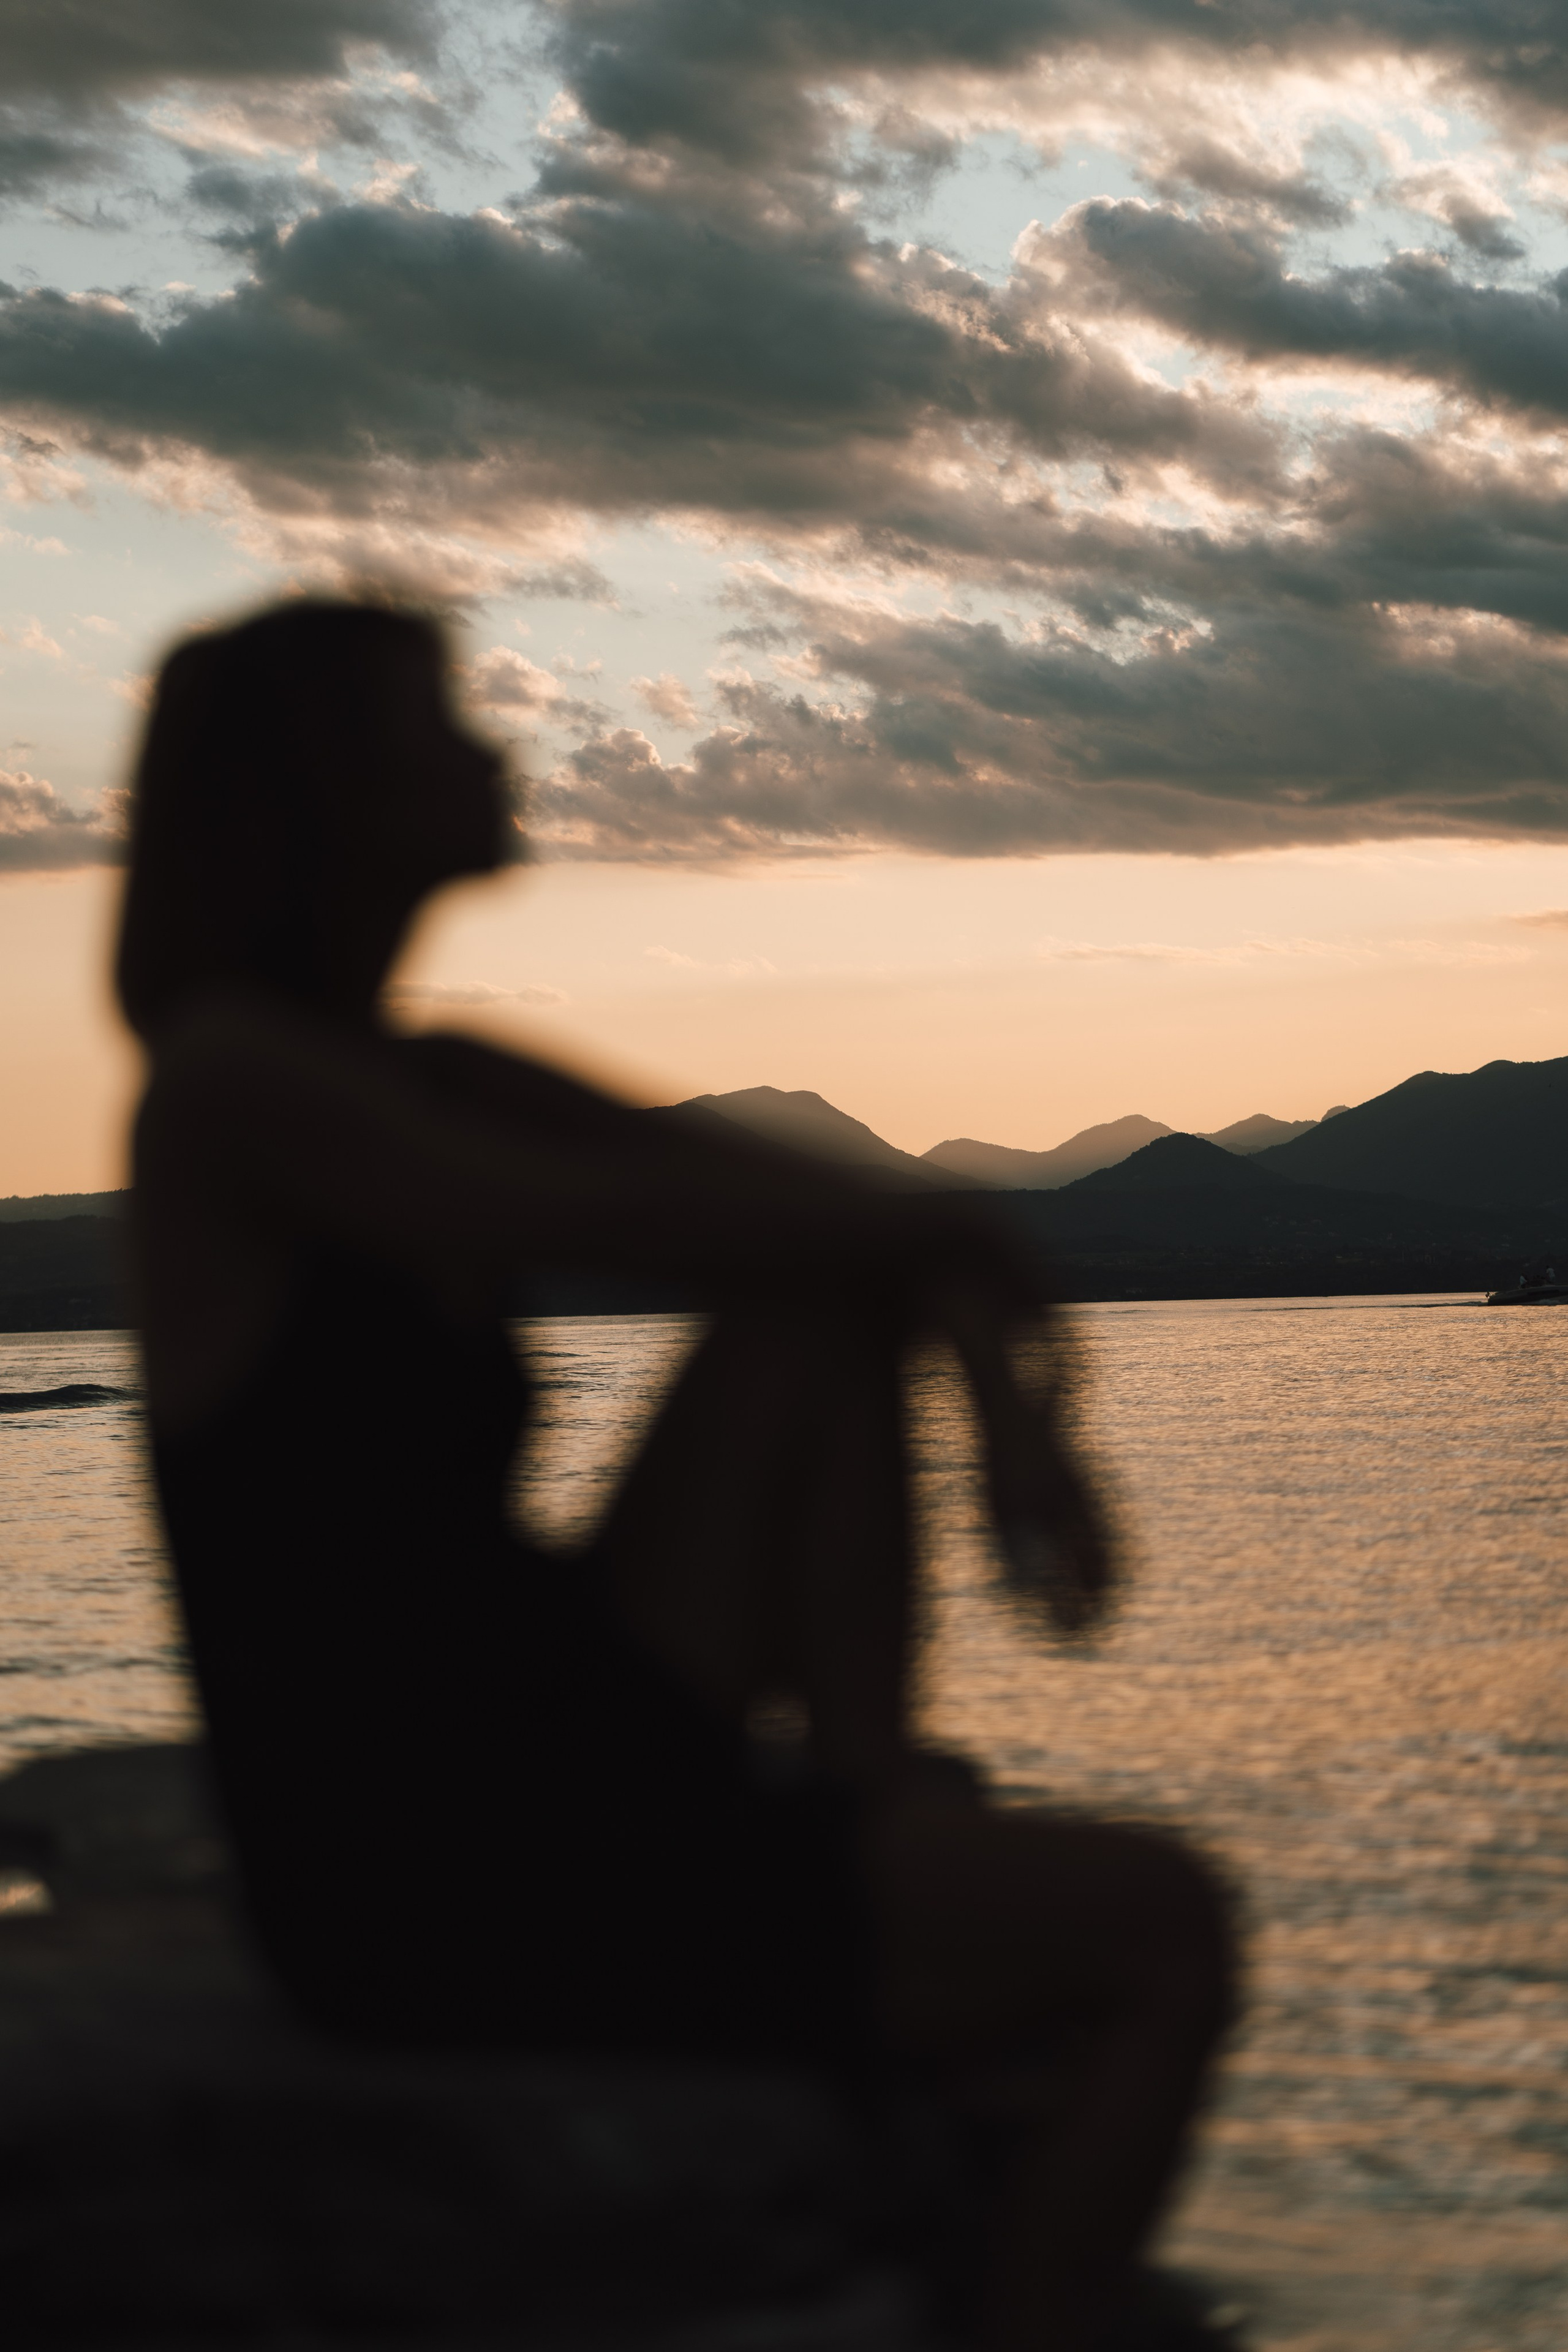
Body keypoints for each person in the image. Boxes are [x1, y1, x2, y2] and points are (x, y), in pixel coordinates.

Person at [119, 600, 1238, 2352]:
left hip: (544, 1744)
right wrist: (985, 1353)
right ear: (319, 790)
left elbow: (840, 1222)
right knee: (1168, 1929)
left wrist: (1000, 1380)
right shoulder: (233, 1091)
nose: (493, 753)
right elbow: (612, 1215)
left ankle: (870, 1789)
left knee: (810, 1306)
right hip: (428, 1866)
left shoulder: (418, 1073)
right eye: (440, 724)